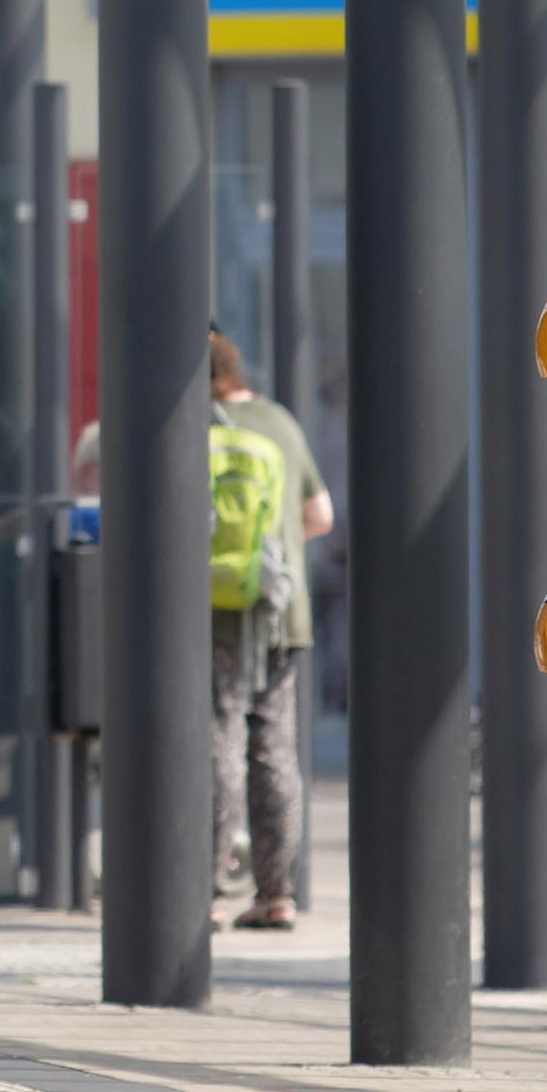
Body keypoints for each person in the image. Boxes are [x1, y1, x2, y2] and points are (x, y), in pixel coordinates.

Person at [211, 332, 332, 931]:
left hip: (215, 611)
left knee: (220, 741)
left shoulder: (194, 425)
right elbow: (320, 517)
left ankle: (207, 887)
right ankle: (276, 892)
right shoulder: (278, 422)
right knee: (274, 749)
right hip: (282, 611)